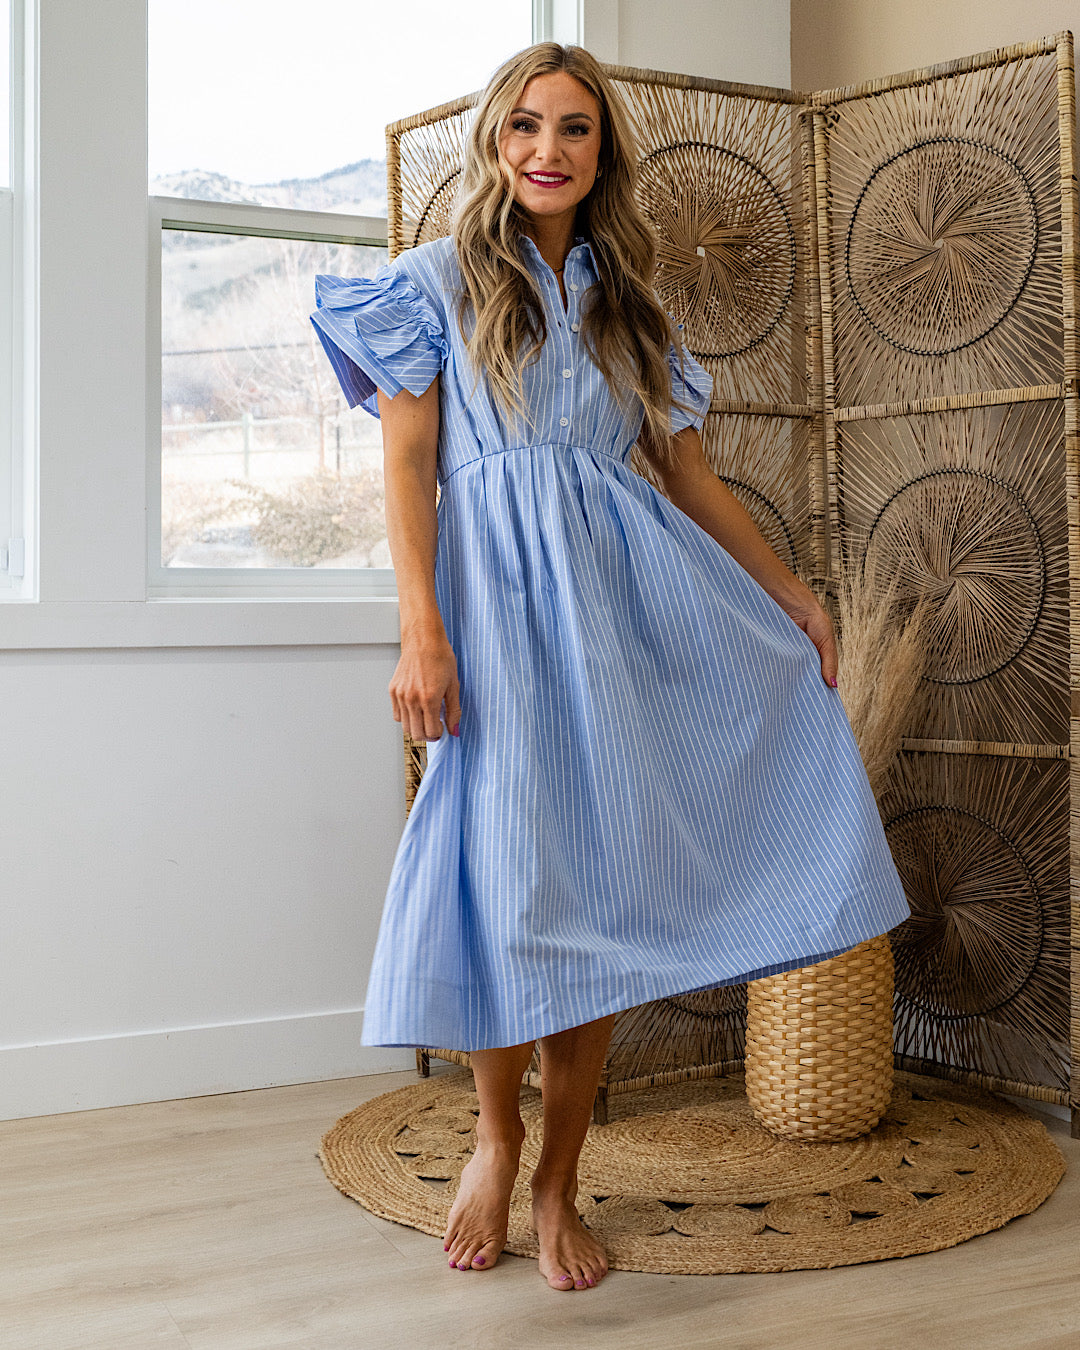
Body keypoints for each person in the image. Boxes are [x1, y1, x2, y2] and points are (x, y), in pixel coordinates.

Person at [310, 42, 911, 1293]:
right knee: (513, 884)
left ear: (602, 152)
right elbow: (409, 471)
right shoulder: (431, 284)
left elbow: (687, 478)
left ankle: (557, 1181)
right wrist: (421, 630)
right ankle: (496, 1136)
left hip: (623, 614)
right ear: (494, 141)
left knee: (598, 893)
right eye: (525, 125)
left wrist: (792, 595)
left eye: (574, 128)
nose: (548, 148)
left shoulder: (628, 307)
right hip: (494, 620)